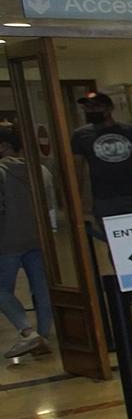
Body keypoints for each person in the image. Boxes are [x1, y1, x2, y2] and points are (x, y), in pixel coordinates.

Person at [0, 124, 55, 357]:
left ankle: (27, 331)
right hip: (38, 238)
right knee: (42, 289)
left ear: (3, 146)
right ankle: (43, 337)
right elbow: (51, 206)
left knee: (1, 290)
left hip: (6, 241)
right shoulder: (40, 170)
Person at [70, 91, 132, 221]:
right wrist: (77, 198)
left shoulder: (130, 131)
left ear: (109, 109)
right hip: (105, 197)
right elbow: (77, 168)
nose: (91, 111)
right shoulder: (81, 135)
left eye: (95, 107)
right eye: (87, 108)